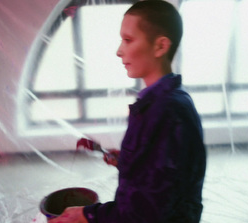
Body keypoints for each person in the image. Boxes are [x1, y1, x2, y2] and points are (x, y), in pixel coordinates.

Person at [49, 0, 206, 222]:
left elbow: (145, 211)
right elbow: (164, 173)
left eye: (128, 40)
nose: (119, 51)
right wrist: (127, 161)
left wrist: (87, 215)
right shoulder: (167, 101)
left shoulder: (166, 112)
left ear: (160, 46)